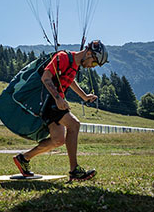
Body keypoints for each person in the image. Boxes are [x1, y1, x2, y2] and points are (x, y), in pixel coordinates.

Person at [13, 40, 108, 181]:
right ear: (88, 53)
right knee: (74, 125)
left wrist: (85, 96)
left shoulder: (74, 64)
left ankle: (24, 158)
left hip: (55, 102)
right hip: (49, 101)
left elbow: (71, 81)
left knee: (58, 140)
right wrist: (58, 98)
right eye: (94, 63)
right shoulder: (63, 57)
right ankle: (74, 170)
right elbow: (46, 78)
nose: (92, 67)